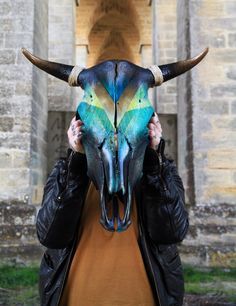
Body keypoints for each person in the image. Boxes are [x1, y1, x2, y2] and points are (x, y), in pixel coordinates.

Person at [36, 113, 189, 306]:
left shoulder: (160, 171)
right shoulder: (67, 171)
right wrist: (77, 161)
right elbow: (50, 235)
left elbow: (172, 232)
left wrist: (152, 159)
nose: (114, 132)